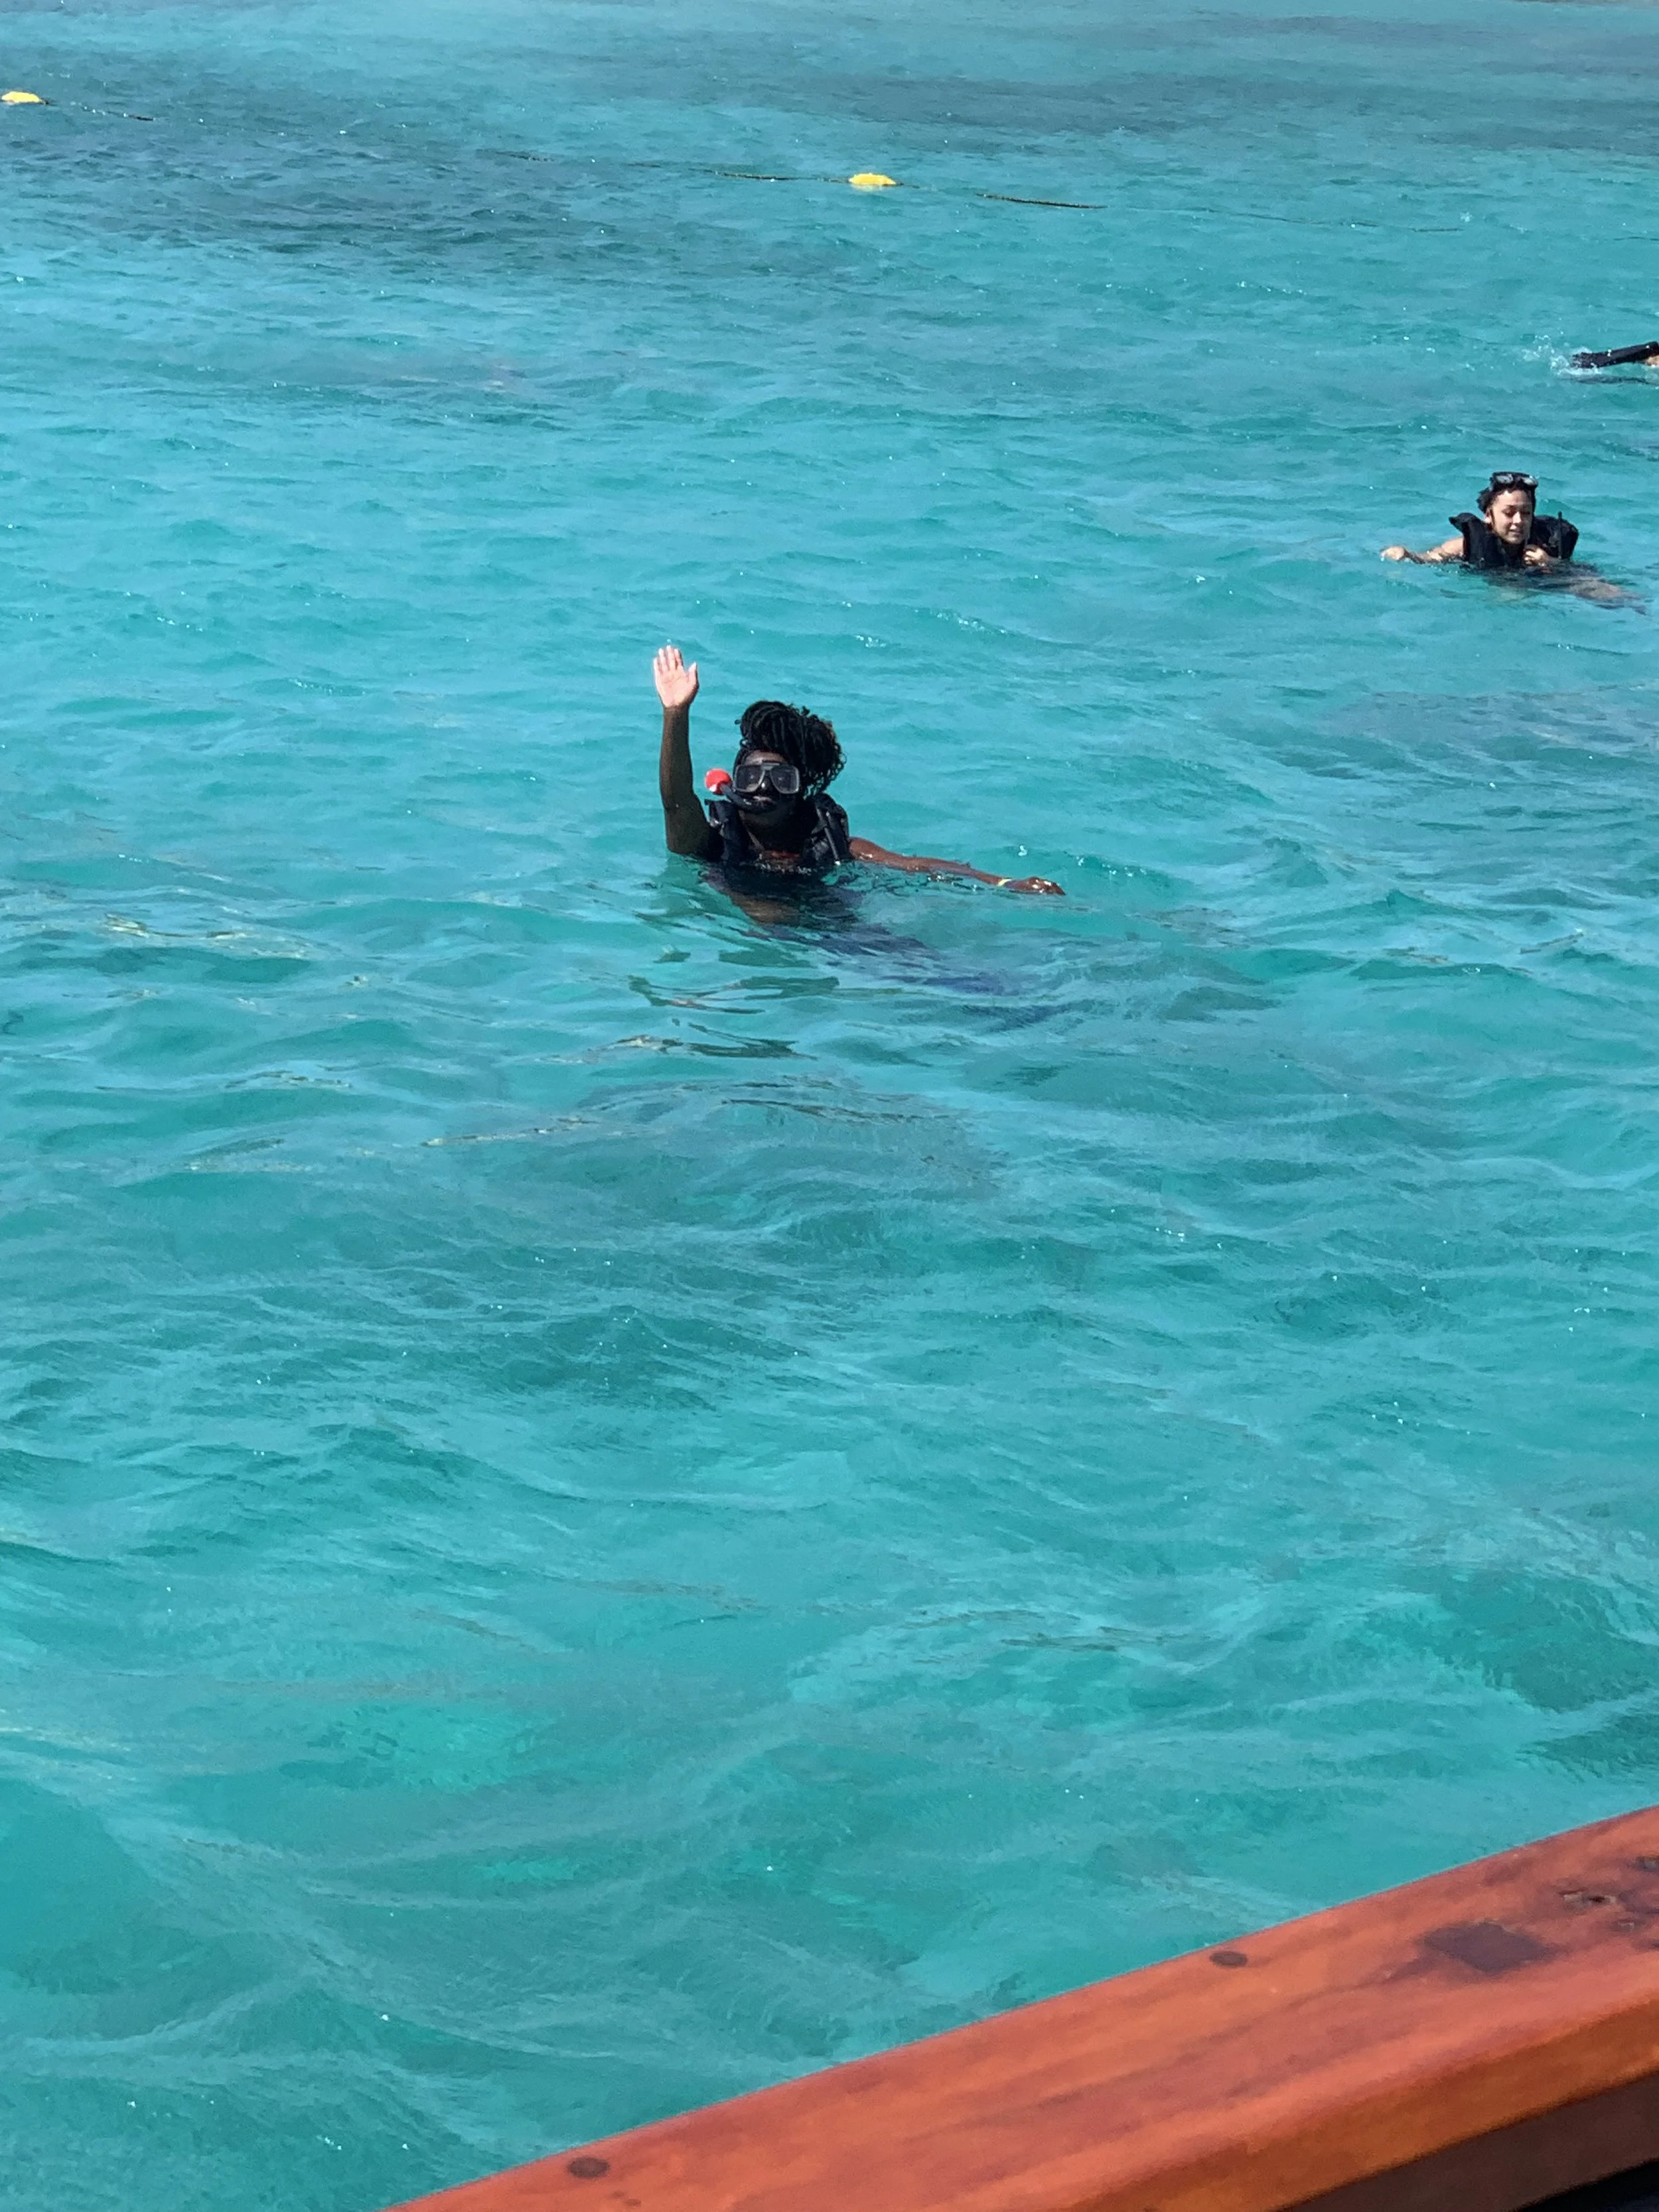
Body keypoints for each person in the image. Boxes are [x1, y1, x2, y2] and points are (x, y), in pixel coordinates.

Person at [652, 645, 1062, 895]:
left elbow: (917, 865)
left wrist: (1006, 884)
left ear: (800, 790)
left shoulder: (832, 845)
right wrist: (676, 712)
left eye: (782, 779)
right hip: (750, 934)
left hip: (826, 931)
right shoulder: (708, 843)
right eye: (752, 777)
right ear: (732, 784)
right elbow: (675, 801)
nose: (765, 789)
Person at [1380, 472, 1579, 570]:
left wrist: (1552, 564)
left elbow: (1589, 583)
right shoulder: (1466, 545)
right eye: (1509, 513)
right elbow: (1433, 558)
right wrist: (1407, 555)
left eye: (1526, 513)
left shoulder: (1546, 545)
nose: (1518, 521)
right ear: (1488, 516)